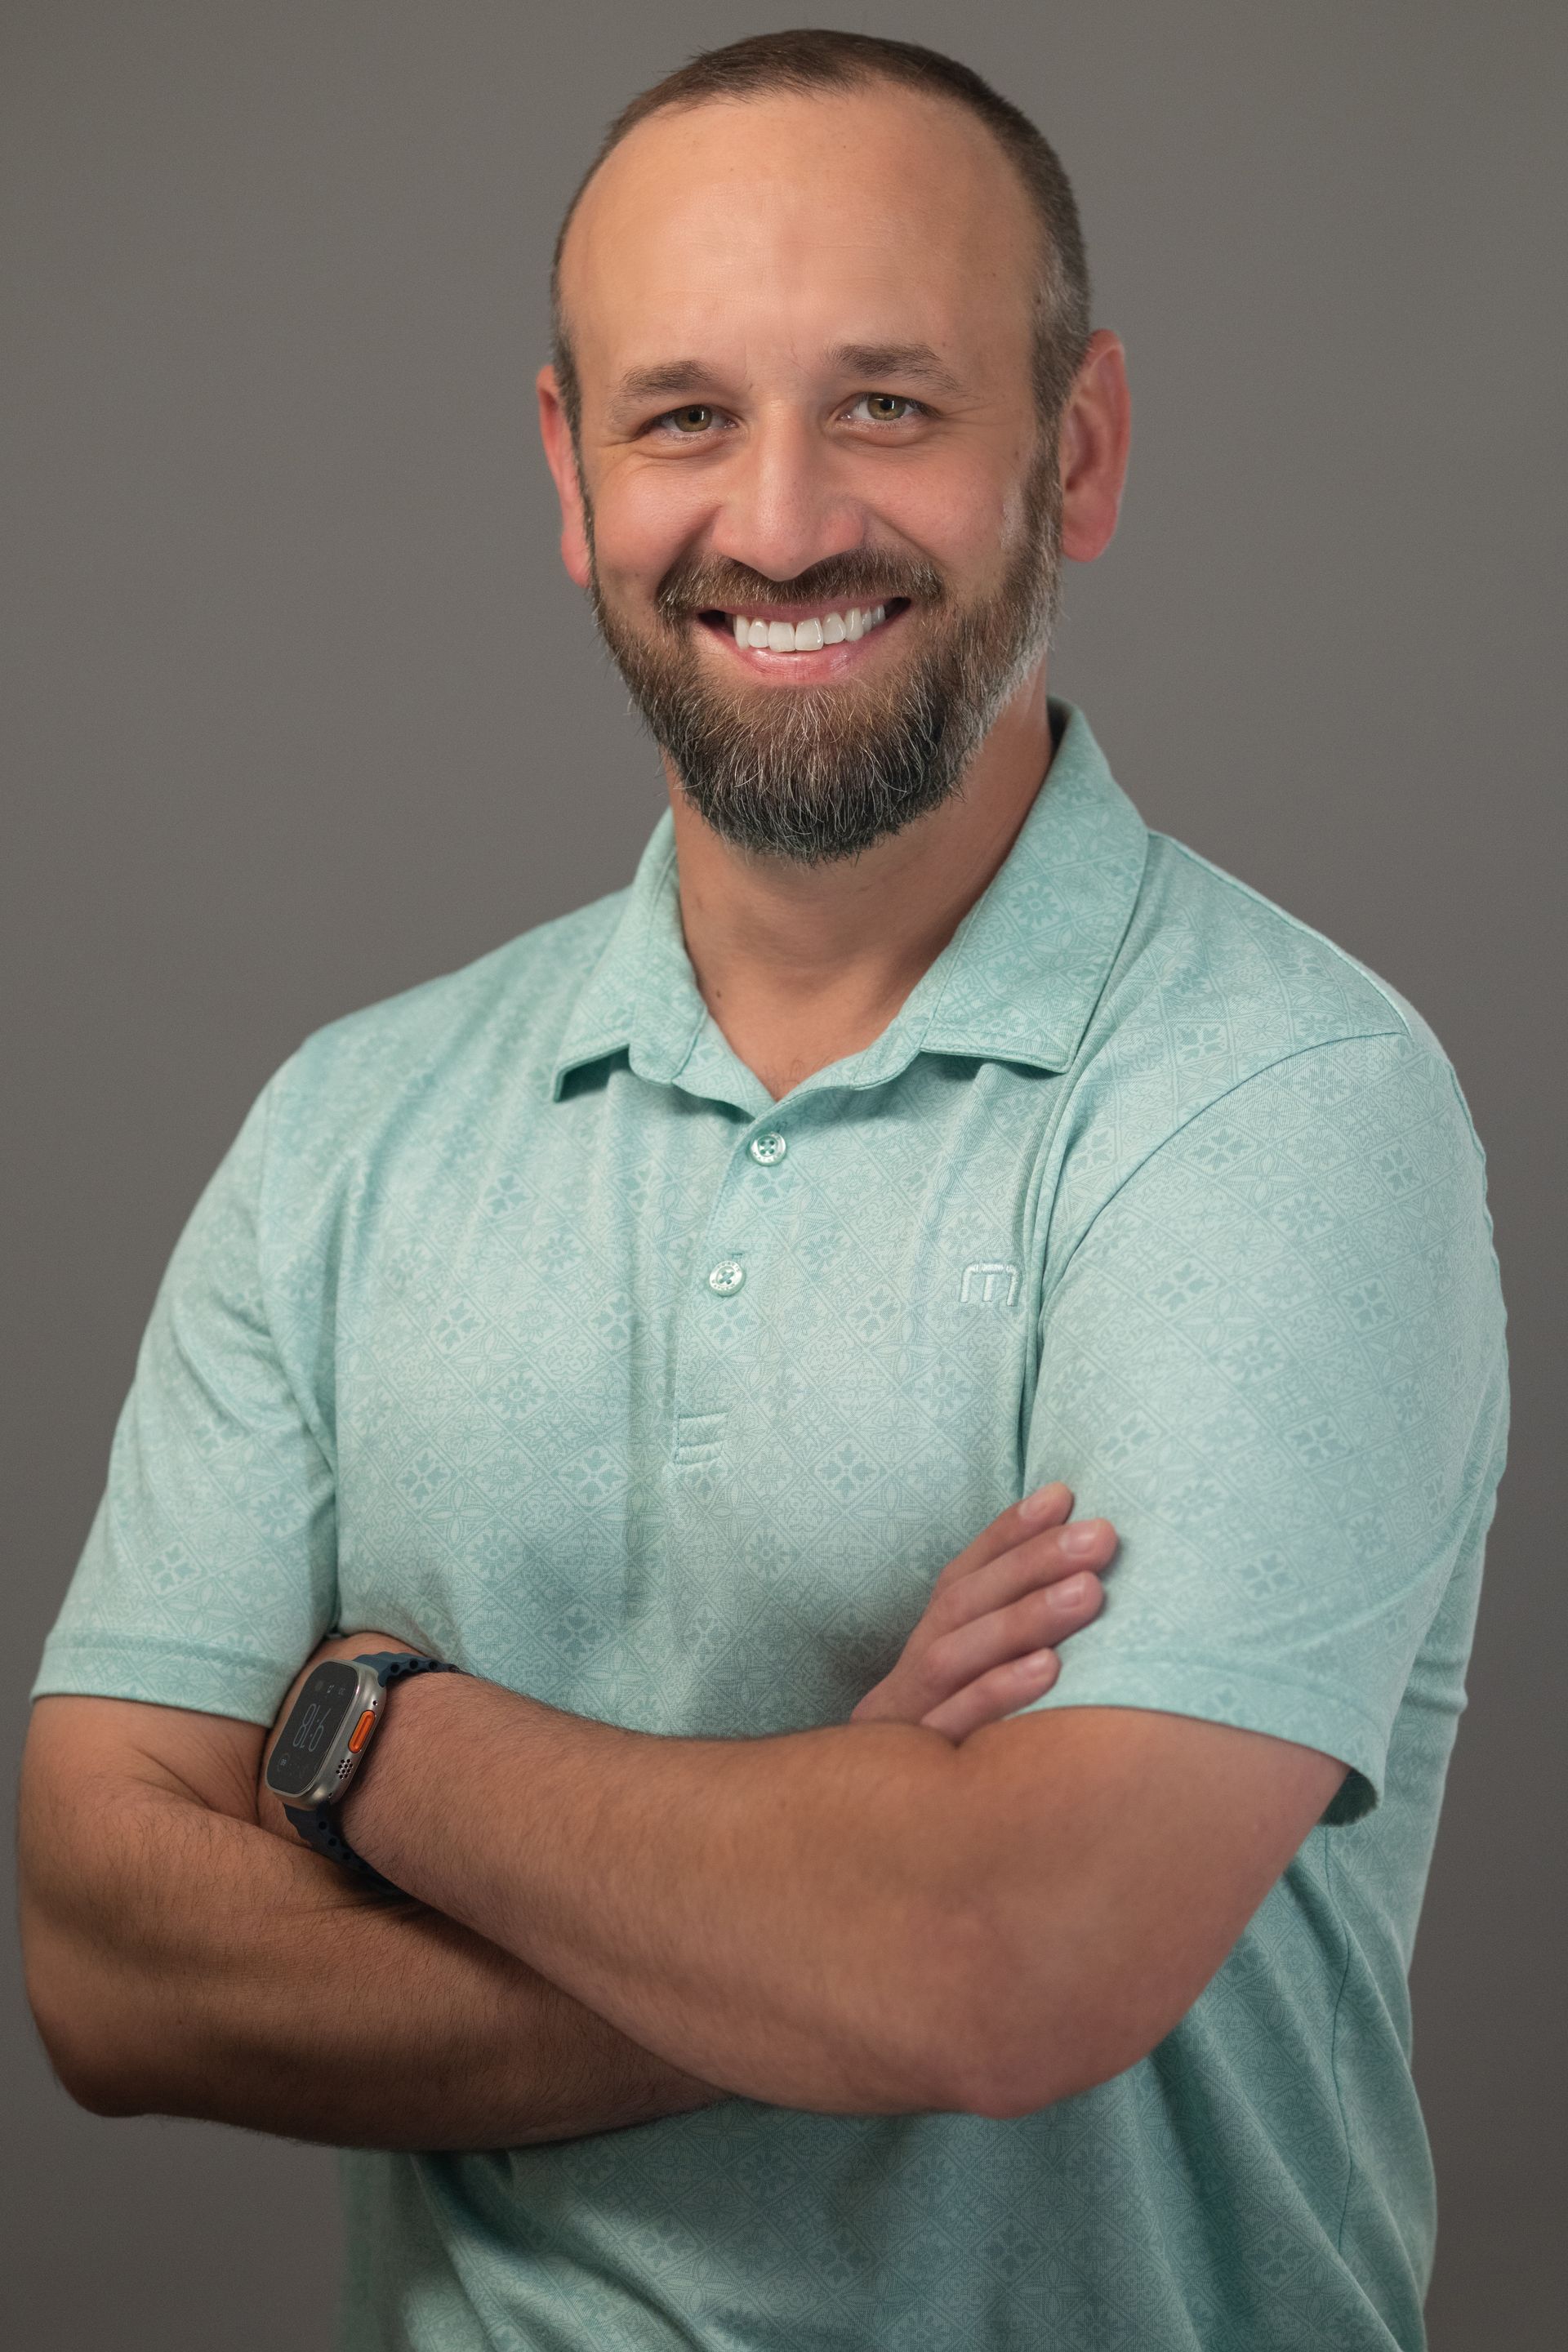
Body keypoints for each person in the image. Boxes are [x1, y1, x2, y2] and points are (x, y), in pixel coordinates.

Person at [19, 29, 1506, 2352]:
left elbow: (993, 1961)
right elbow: (105, 1968)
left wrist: (371, 1734)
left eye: (890, 406)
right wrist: (815, 1837)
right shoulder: (352, 1126)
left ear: (1078, 450)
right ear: (567, 465)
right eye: (686, 415)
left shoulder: (1280, 1100)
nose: (785, 521)